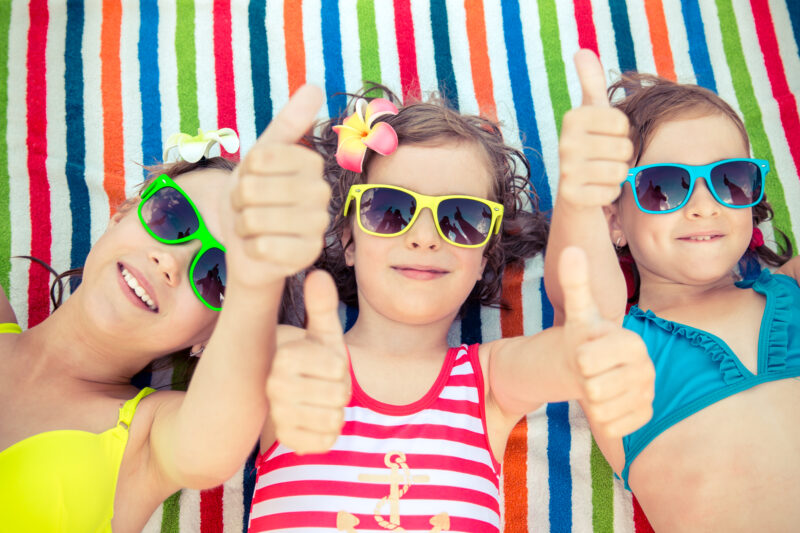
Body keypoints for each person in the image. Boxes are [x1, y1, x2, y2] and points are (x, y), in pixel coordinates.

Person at [248, 87, 655, 532]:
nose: (424, 237)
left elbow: (570, 353)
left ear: (485, 257)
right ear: (348, 238)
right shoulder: (284, 356)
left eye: (461, 217)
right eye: (390, 209)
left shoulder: (490, 382)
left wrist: (581, 201)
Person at [0, 85, 330, 532]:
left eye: (217, 272)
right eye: (171, 215)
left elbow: (211, 445)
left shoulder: (150, 438)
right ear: (124, 212)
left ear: (211, 337)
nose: (171, 261)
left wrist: (255, 281)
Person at [546, 50, 800, 531]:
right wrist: (579, 188)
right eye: (664, 186)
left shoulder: (789, 289)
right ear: (613, 220)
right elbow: (575, 282)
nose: (704, 205)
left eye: (730, 180)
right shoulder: (616, 342)